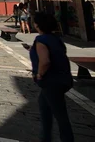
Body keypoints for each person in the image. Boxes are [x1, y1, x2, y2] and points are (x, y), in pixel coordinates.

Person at [27, 12, 74, 142]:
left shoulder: (41, 40)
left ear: (37, 25)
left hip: (51, 81)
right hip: (62, 78)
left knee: (60, 116)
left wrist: (39, 74)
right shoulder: (55, 38)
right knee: (44, 106)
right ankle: (45, 138)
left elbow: (45, 61)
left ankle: (67, 139)